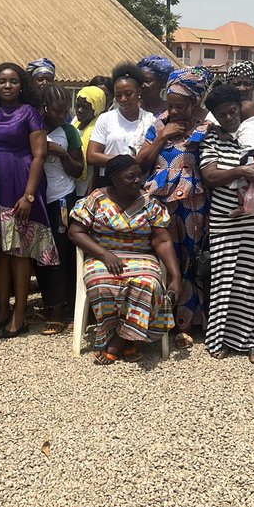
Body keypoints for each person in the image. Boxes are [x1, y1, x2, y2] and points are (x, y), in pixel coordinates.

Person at [68, 155, 182, 364]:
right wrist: (104, 254)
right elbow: (76, 232)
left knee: (148, 283)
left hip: (141, 257)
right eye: (131, 177)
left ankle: (119, 340)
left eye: (139, 176)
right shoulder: (96, 199)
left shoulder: (149, 203)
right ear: (115, 178)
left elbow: (162, 241)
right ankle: (128, 338)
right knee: (99, 281)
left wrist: (176, 276)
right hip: (103, 255)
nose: (138, 180)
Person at [199, 83, 254, 362]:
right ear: (215, 115)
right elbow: (209, 175)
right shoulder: (212, 139)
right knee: (224, 278)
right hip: (225, 218)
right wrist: (242, 170)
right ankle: (220, 338)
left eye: (232, 111)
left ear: (241, 108)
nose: (229, 117)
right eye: (222, 114)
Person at [0, 62, 57, 337]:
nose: (7, 86)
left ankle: (20, 315)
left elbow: (39, 155)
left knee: (20, 254)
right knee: (0, 253)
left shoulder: (30, 113)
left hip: (22, 184)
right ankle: (2, 309)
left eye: (13, 81)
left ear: (21, 84)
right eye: (2, 81)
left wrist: (29, 195)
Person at [137, 66, 213, 346]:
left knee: (191, 261)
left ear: (195, 102)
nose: (175, 110)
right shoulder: (159, 124)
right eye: (171, 104)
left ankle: (187, 323)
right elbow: (141, 161)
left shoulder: (207, 127)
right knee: (163, 261)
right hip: (160, 202)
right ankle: (159, 321)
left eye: (180, 105)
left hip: (194, 203)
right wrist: (163, 136)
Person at [36, 84, 83, 333]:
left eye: (66, 110)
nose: (62, 115)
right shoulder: (34, 127)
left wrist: (62, 154)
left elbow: (78, 170)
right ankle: (49, 302)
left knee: (61, 253)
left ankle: (61, 309)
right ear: (45, 108)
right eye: (57, 111)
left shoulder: (68, 131)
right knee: (41, 255)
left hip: (62, 198)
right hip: (37, 199)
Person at [87, 63, 155, 188]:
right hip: (109, 182)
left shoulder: (150, 120)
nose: (123, 99)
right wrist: (124, 162)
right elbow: (92, 155)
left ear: (139, 91)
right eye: (118, 95)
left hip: (138, 184)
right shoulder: (106, 119)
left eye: (129, 94)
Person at [72, 85, 107, 197]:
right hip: (72, 181)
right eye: (78, 106)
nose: (79, 110)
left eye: (85, 107)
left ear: (96, 107)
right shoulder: (74, 122)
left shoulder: (100, 127)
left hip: (89, 184)